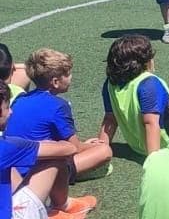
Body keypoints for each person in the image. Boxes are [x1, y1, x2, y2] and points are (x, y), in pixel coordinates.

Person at [1, 79, 89, 219]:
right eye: (6, 107)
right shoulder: (8, 146)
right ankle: (55, 212)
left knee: (10, 169)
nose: (10, 112)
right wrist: (41, 144)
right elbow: (70, 148)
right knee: (54, 160)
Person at [6, 48, 113, 186]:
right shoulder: (58, 106)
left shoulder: (20, 99)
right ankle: (63, 177)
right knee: (104, 150)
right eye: (67, 74)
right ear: (55, 82)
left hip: (12, 169)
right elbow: (74, 147)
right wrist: (88, 145)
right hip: (34, 171)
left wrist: (85, 144)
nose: (71, 77)